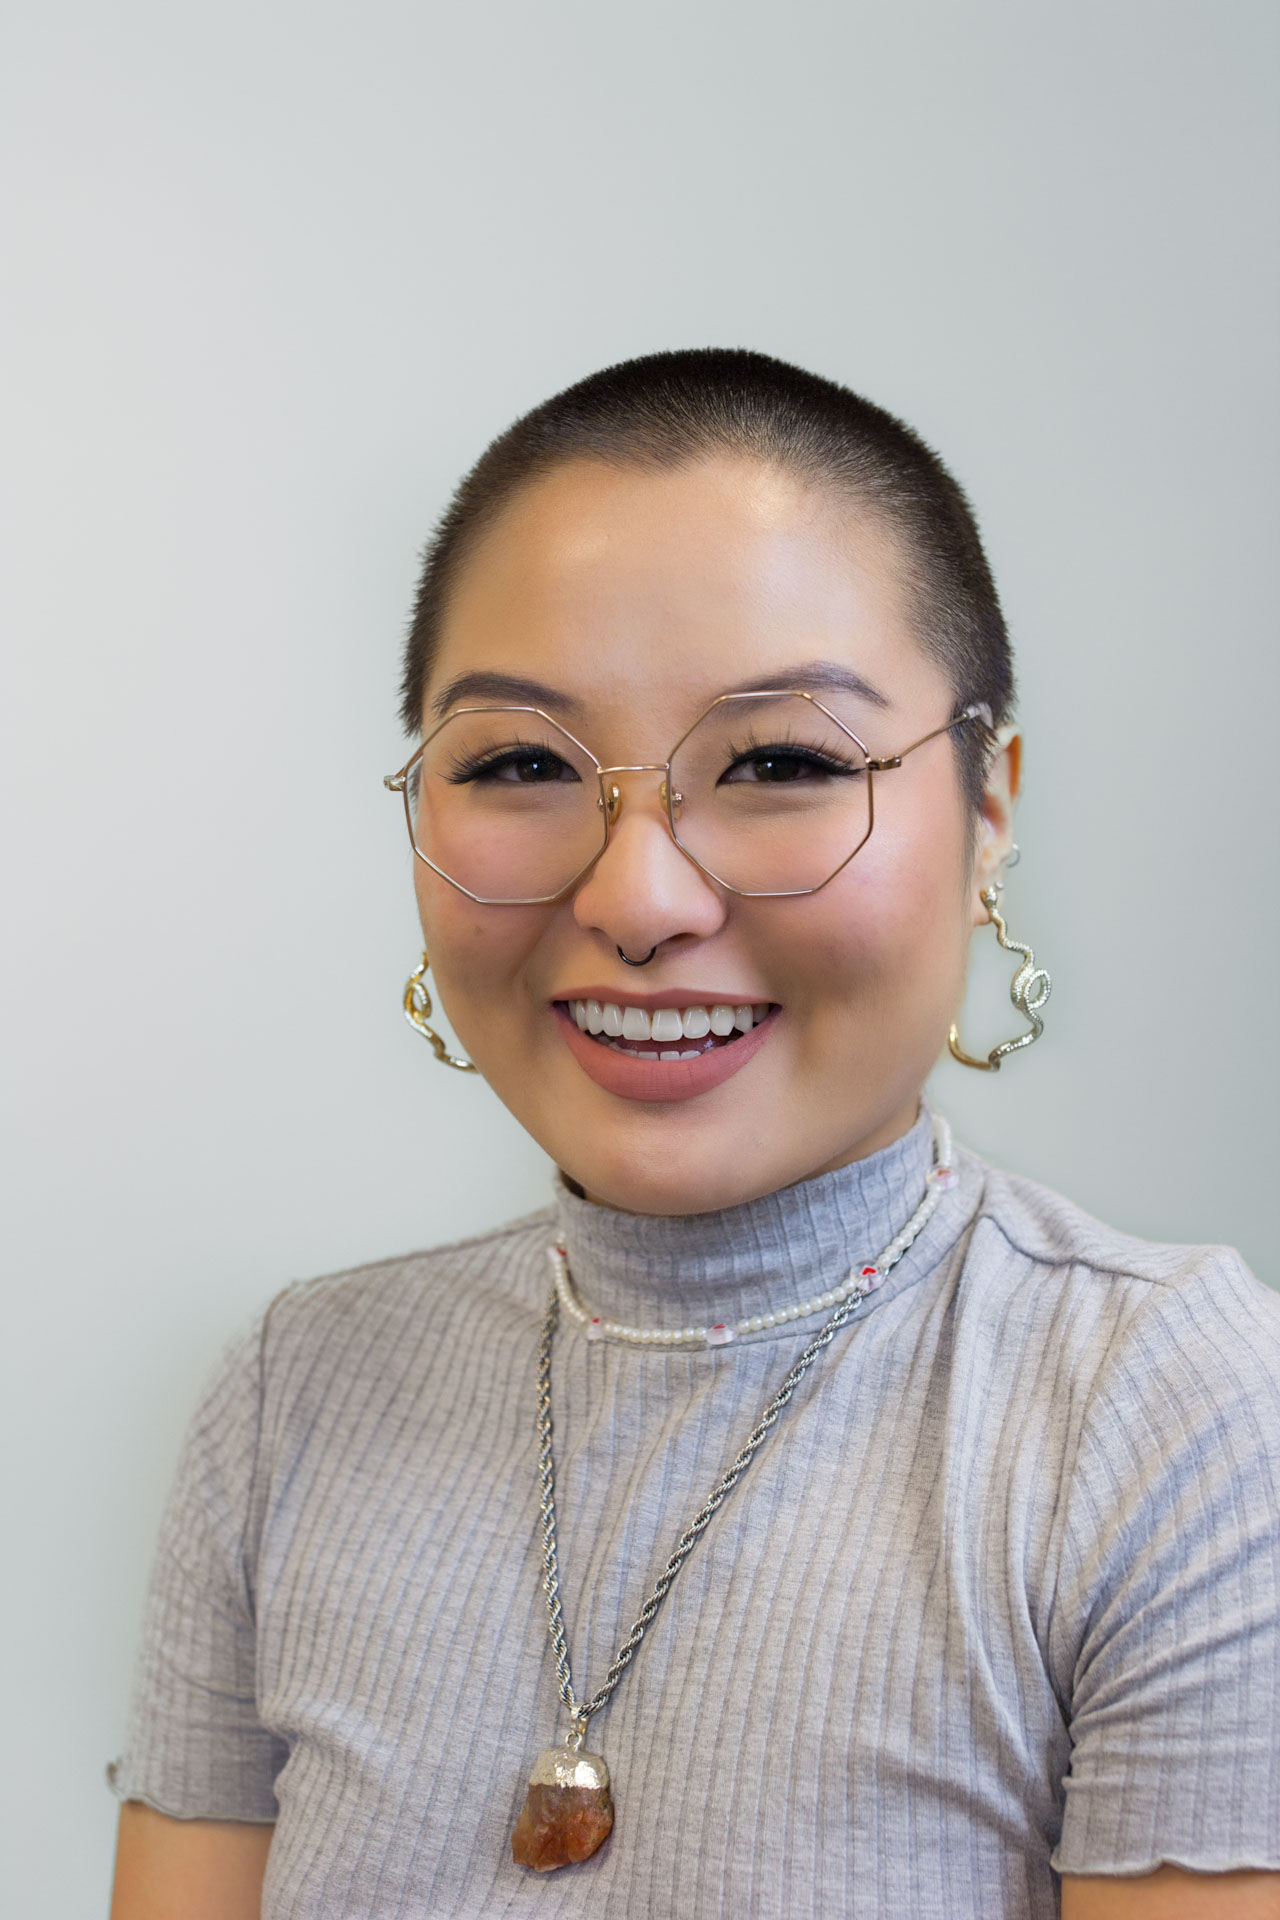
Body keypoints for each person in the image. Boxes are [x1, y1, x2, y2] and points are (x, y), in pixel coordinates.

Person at [108, 350, 1280, 1920]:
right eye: (520, 764)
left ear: (990, 807)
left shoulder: (1166, 1414)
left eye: (783, 763)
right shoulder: (293, 1396)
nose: (638, 899)